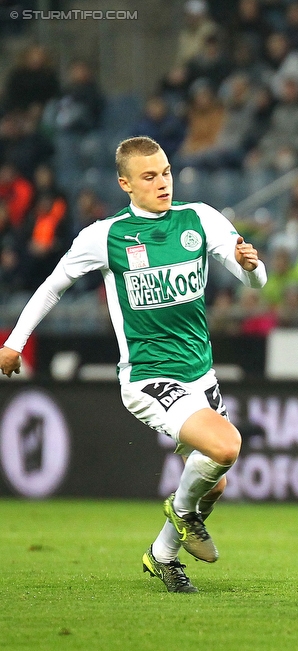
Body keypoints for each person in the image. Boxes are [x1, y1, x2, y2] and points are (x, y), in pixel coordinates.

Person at [0, 136, 267, 593]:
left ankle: (162, 555)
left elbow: (255, 280)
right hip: (148, 378)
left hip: (201, 376)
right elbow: (51, 286)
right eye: (149, 177)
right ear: (125, 183)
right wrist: (14, 342)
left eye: (165, 172)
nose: (162, 183)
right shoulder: (105, 236)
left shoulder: (199, 218)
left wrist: (251, 265)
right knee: (226, 447)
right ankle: (182, 516)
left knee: (213, 483)